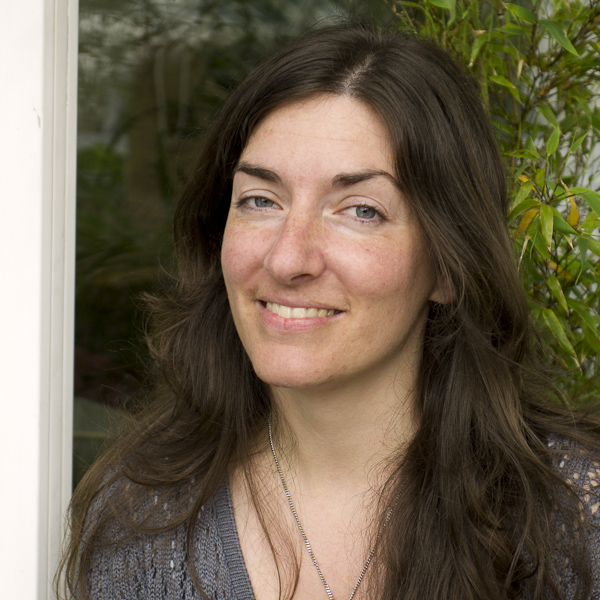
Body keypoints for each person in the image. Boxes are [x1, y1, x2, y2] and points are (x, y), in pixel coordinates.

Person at [58, 21, 600, 600]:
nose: (288, 258)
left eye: (360, 210)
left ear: (447, 265)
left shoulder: (574, 524)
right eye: (260, 200)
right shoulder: (141, 527)